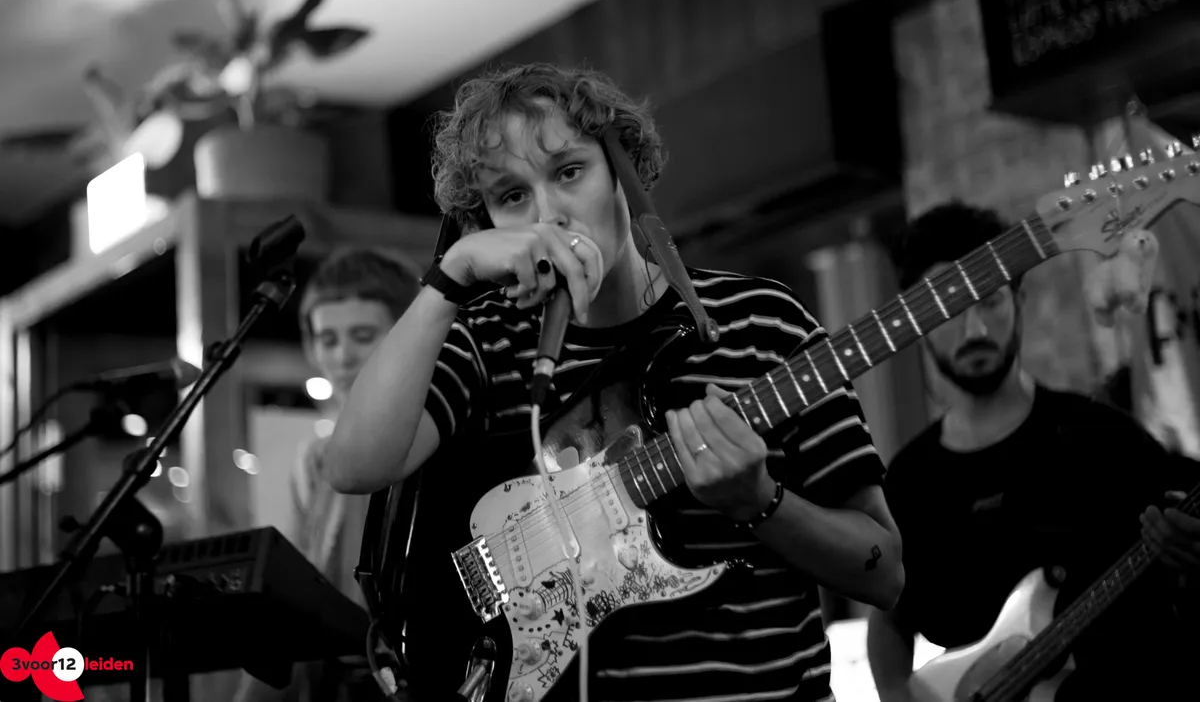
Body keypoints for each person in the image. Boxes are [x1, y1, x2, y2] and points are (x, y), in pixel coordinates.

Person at [325, 62, 905, 701]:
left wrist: (761, 502)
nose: (549, 214)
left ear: (625, 169)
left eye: (569, 172)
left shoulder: (764, 321)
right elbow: (353, 466)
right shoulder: (486, 342)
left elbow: (884, 575)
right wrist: (450, 277)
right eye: (512, 196)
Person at [866, 202, 1200, 702]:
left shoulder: (1106, 439)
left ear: (1020, 299)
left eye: (990, 301)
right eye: (949, 312)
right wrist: (895, 693)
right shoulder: (908, 481)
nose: (975, 330)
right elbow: (890, 617)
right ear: (919, 325)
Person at [234, 248, 420, 702]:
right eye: (327, 339)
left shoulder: (428, 439)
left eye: (363, 335)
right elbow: (303, 585)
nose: (342, 355)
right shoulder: (316, 459)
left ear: (409, 333)